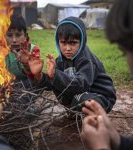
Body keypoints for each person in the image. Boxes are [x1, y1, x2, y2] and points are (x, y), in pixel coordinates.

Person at [29, 16, 116, 112]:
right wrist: (39, 75)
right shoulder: (60, 61)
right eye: (63, 43)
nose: (68, 48)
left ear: (82, 42)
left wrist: (55, 74)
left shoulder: (86, 60)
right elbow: (52, 83)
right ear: (58, 42)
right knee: (59, 83)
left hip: (100, 97)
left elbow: (81, 85)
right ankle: (74, 110)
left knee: (85, 100)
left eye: (73, 43)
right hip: (80, 96)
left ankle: (86, 116)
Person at [82, 0, 133, 149]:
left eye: (126, 51)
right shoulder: (60, 60)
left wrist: (100, 146)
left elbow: (80, 82)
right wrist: (115, 138)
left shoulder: (86, 59)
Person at [5, 15, 40, 89]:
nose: (14, 40)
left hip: (27, 86)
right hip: (7, 84)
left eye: (18, 35)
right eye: (9, 35)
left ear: (26, 36)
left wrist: (26, 63)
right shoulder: (0, 52)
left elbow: (36, 77)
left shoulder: (33, 50)